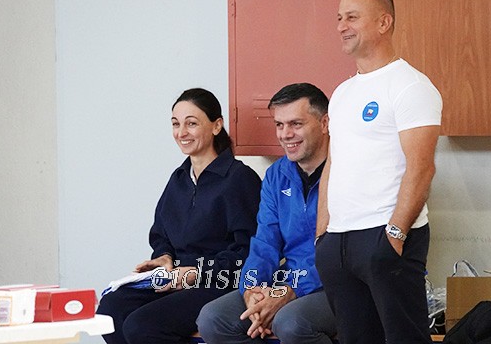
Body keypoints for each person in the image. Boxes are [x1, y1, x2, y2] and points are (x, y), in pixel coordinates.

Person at [315, 0, 443, 344]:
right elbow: (332, 164)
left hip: (386, 236)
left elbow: (422, 168)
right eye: (339, 18)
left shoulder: (411, 86)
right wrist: (323, 233)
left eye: (352, 17)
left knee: (404, 338)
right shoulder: (342, 93)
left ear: (384, 23)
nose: (342, 26)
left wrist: (396, 235)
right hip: (338, 241)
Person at [97, 88, 261, 344]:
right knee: (110, 311)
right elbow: (161, 234)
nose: (181, 133)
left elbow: (248, 251)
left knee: (142, 325)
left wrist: (196, 272)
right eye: (176, 124)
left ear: (216, 125)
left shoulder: (239, 179)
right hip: (175, 279)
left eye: (191, 123)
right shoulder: (179, 179)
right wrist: (164, 257)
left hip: (218, 281)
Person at [197, 83, 337, 344]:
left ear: (324, 123)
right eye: (279, 125)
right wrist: (252, 289)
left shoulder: (347, 170)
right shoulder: (276, 175)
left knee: (291, 323)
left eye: (296, 124)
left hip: (334, 283)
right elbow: (264, 242)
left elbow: (340, 251)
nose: (285, 134)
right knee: (213, 318)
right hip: (287, 280)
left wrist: (291, 291)